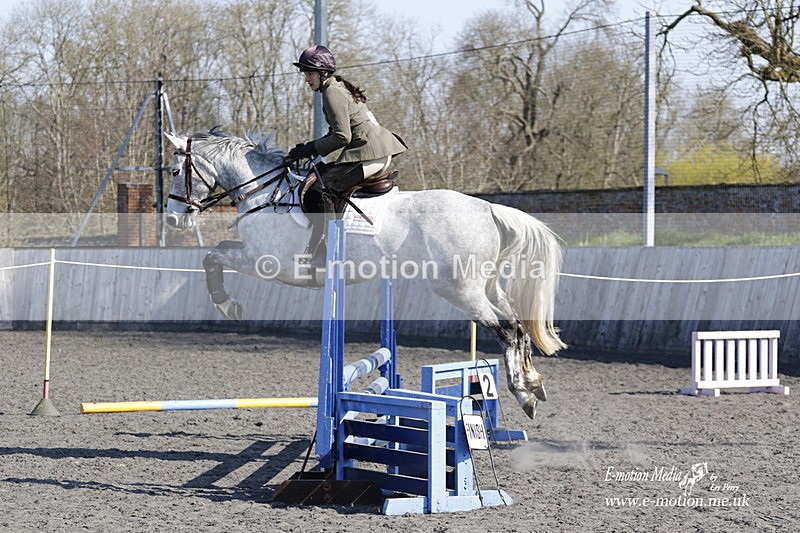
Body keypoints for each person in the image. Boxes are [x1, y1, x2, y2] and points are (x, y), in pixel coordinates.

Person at [288, 45, 407, 267]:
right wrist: (309, 148)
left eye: (309, 73)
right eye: (305, 74)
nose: (306, 79)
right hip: (370, 151)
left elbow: (342, 137)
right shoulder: (335, 88)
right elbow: (337, 133)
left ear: (323, 73)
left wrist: (311, 148)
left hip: (370, 155)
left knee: (319, 188)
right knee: (321, 176)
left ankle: (329, 249)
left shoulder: (332, 93)